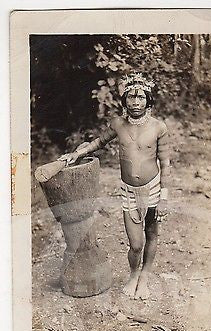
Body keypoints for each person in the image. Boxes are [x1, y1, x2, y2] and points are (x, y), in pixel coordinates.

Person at [59, 73, 170, 300]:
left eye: (140, 98)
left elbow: (165, 163)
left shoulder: (159, 127)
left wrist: (165, 197)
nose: (136, 103)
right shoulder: (118, 124)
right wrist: (77, 153)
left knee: (152, 233)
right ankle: (133, 275)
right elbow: (99, 142)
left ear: (148, 100)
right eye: (131, 98)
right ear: (125, 100)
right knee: (136, 243)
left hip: (154, 189)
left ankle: (145, 278)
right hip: (128, 191)